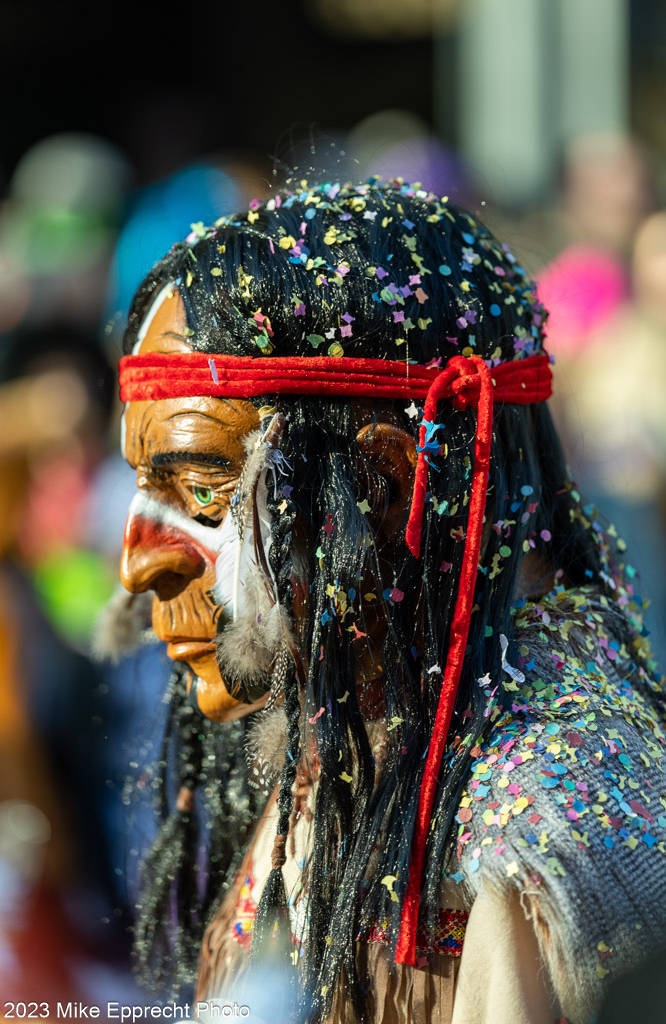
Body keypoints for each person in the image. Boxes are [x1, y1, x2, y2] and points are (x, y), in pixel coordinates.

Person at [117, 178, 666, 1024]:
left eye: (197, 488)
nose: (138, 564)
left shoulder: (546, 832)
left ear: (384, 485)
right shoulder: (351, 717)